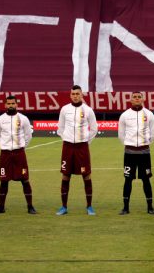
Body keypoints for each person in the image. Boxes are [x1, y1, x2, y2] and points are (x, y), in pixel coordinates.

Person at [56, 85, 98, 216]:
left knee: (86, 175)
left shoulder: (88, 110)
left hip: (82, 147)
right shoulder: (64, 109)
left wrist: (85, 141)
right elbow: (60, 128)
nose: (75, 96)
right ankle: (63, 207)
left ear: (82, 95)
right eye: (73, 94)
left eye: (77, 94)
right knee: (65, 175)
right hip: (68, 147)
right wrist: (66, 138)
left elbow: (94, 128)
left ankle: (89, 206)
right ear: (70, 95)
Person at [0, 96, 36, 214]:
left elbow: (28, 135)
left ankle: (30, 207)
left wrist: (20, 147)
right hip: (5, 155)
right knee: (3, 181)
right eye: (8, 103)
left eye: (13, 103)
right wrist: (4, 145)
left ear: (16, 104)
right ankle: (1, 207)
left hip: (19, 154)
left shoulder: (23, 119)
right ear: (5, 105)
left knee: (25, 180)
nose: (11, 105)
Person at [118, 91, 154, 215]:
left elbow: (153, 133)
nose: (136, 99)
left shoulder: (149, 114)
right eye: (134, 97)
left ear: (142, 99)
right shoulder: (124, 115)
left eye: (139, 97)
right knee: (127, 180)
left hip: (144, 153)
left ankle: (150, 207)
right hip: (129, 153)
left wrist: (144, 144)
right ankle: (125, 208)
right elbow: (121, 134)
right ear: (131, 99)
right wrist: (129, 143)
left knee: (146, 180)